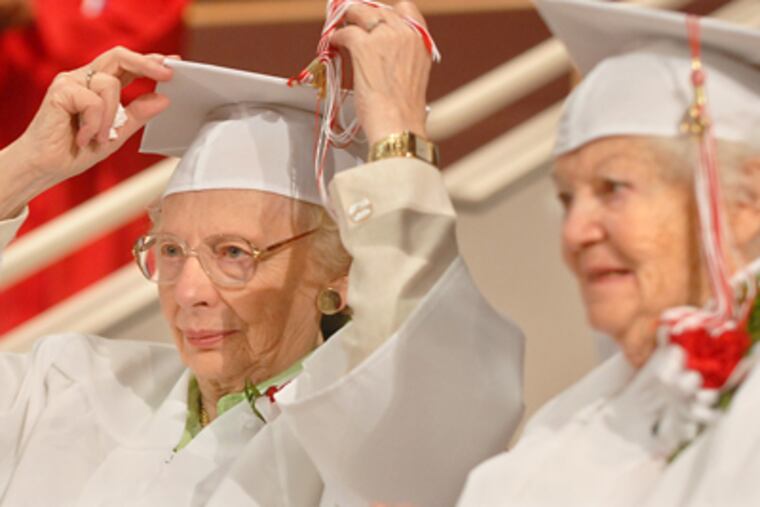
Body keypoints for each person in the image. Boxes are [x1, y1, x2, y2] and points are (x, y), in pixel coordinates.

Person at [0, 2, 524, 505]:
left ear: (337, 273)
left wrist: (396, 126)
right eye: (171, 249)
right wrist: (24, 169)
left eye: (233, 253)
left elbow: (442, 378)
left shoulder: (358, 429)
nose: (188, 292)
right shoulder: (71, 384)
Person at [454, 1, 760, 506]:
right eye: (567, 198)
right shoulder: (572, 420)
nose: (575, 231)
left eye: (614, 188)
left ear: (746, 200)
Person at [0, 0, 188, 334]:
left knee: (91, 330)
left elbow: (137, 47)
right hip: (20, 151)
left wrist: (36, 11)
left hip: (104, 170)